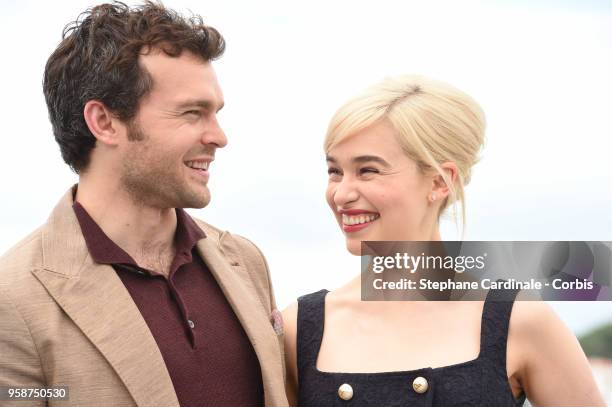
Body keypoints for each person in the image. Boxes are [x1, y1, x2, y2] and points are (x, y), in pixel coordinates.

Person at [0, 3, 287, 406]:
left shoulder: (245, 260)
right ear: (104, 121)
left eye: (216, 113)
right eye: (192, 113)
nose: (219, 137)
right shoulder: (13, 299)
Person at [282, 75, 606, 406]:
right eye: (335, 171)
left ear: (440, 182)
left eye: (367, 170)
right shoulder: (299, 329)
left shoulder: (520, 321)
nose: (342, 193)